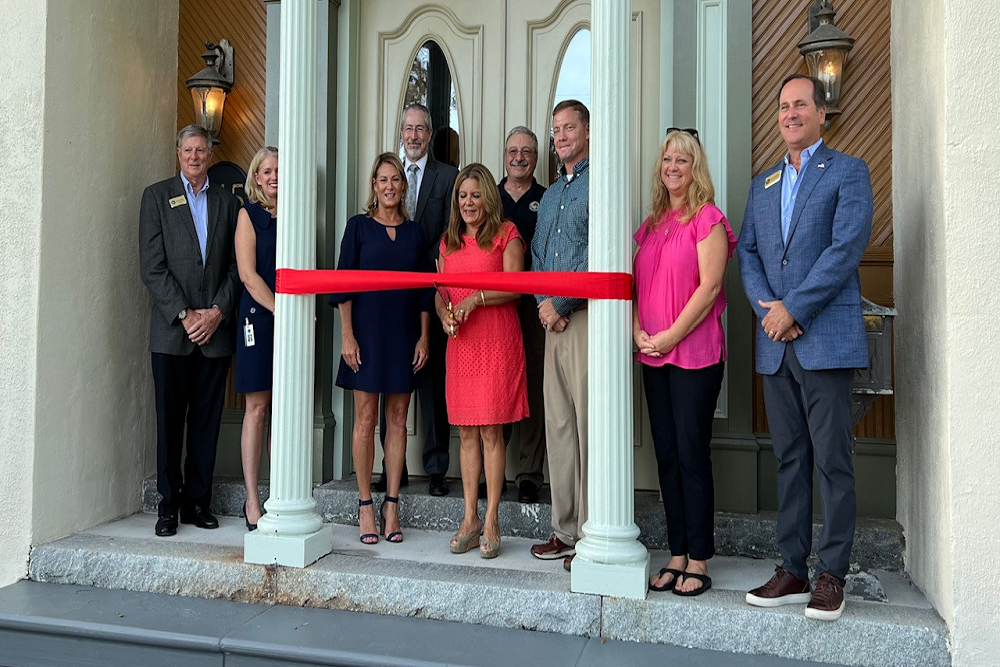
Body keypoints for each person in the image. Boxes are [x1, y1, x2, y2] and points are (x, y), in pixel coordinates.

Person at [737, 74, 873, 621]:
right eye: (784, 105)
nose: (791, 113)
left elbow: (846, 250)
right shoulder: (763, 181)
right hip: (776, 343)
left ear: (822, 113)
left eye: (801, 105)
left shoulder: (848, 171)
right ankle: (792, 568)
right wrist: (770, 310)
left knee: (832, 462)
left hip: (824, 340)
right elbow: (746, 252)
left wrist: (795, 309)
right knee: (790, 460)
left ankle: (831, 575)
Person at [634, 129, 735, 596]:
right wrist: (638, 328)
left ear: (695, 168)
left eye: (682, 160)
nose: (672, 166)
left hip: (693, 355)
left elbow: (710, 286)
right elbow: (634, 284)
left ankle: (699, 559)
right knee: (667, 455)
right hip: (652, 355)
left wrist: (670, 335)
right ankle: (676, 553)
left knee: (692, 455)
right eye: (667, 159)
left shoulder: (707, 219)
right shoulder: (653, 223)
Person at [139, 124, 240, 537]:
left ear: (210, 155)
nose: (195, 156)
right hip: (172, 334)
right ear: (178, 153)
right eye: (188, 150)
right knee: (169, 421)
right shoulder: (156, 197)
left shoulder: (227, 203)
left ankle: (199, 501)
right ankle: (169, 505)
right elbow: (152, 266)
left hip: (214, 334)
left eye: (201, 150)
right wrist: (185, 314)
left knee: (206, 420)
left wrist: (216, 312)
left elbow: (238, 266)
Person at [330, 152, 432, 545]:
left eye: (396, 180)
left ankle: (392, 504)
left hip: (405, 333)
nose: (390, 186)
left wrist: (424, 336)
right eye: (383, 180)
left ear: (403, 187)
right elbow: (343, 286)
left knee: (399, 417)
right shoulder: (357, 228)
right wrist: (347, 336)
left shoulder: (416, 232)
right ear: (374, 186)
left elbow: (426, 290)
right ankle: (365, 505)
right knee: (365, 417)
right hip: (366, 335)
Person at [436, 163, 528, 559]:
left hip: (495, 340)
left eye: (475, 195)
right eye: (462, 196)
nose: (468, 202)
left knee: (491, 431)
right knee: (466, 433)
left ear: (488, 197)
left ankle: (492, 519)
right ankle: (469, 518)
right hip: (461, 342)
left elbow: (516, 287)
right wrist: (443, 311)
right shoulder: (448, 241)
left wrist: (477, 297)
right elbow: (439, 289)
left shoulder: (507, 235)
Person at [373, 103, 459, 497]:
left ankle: (437, 466)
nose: (413, 136)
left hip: (435, 294)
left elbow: (452, 236)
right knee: (389, 383)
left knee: (432, 384)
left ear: (430, 133)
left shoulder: (449, 177)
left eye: (420, 129)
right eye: (407, 129)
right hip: (391, 302)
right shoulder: (388, 178)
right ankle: (395, 469)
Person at [529, 100, 590, 572]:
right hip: (551, 322)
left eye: (570, 127)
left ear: (587, 131)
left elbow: (599, 254)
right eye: (556, 130)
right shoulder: (549, 196)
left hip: (585, 319)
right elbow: (535, 256)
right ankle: (564, 529)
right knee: (559, 426)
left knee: (589, 428)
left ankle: (591, 533)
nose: (562, 136)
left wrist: (562, 304)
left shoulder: (600, 184)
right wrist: (543, 307)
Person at [499, 126, 548, 505]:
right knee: (495, 384)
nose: (519, 157)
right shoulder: (487, 197)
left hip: (532, 307)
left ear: (536, 157)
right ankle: (492, 467)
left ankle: (529, 473)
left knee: (532, 384)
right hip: (492, 306)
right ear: (505, 155)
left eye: (527, 151)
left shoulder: (547, 200)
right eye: (513, 150)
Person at [234, 146, 279, 531]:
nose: (274, 176)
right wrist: (279, 309)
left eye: (279, 170)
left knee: (283, 409)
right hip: (258, 320)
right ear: (256, 176)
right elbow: (248, 275)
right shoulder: (247, 216)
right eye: (266, 170)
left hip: (289, 323)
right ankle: (252, 499)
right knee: (258, 408)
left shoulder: (295, 215)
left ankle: (279, 494)